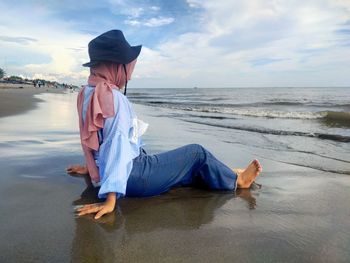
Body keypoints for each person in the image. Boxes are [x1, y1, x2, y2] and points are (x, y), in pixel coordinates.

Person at [67, 30, 262, 220]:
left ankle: (223, 174)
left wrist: (92, 167)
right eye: (129, 65)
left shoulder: (86, 93)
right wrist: (111, 199)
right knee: (197, 153)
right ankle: (239, 181)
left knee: (186, 169)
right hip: (132, 177)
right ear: (117, 66)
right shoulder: (114, 98)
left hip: (109, 171)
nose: (131, 74)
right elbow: (116, 145)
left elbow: (93, 136)